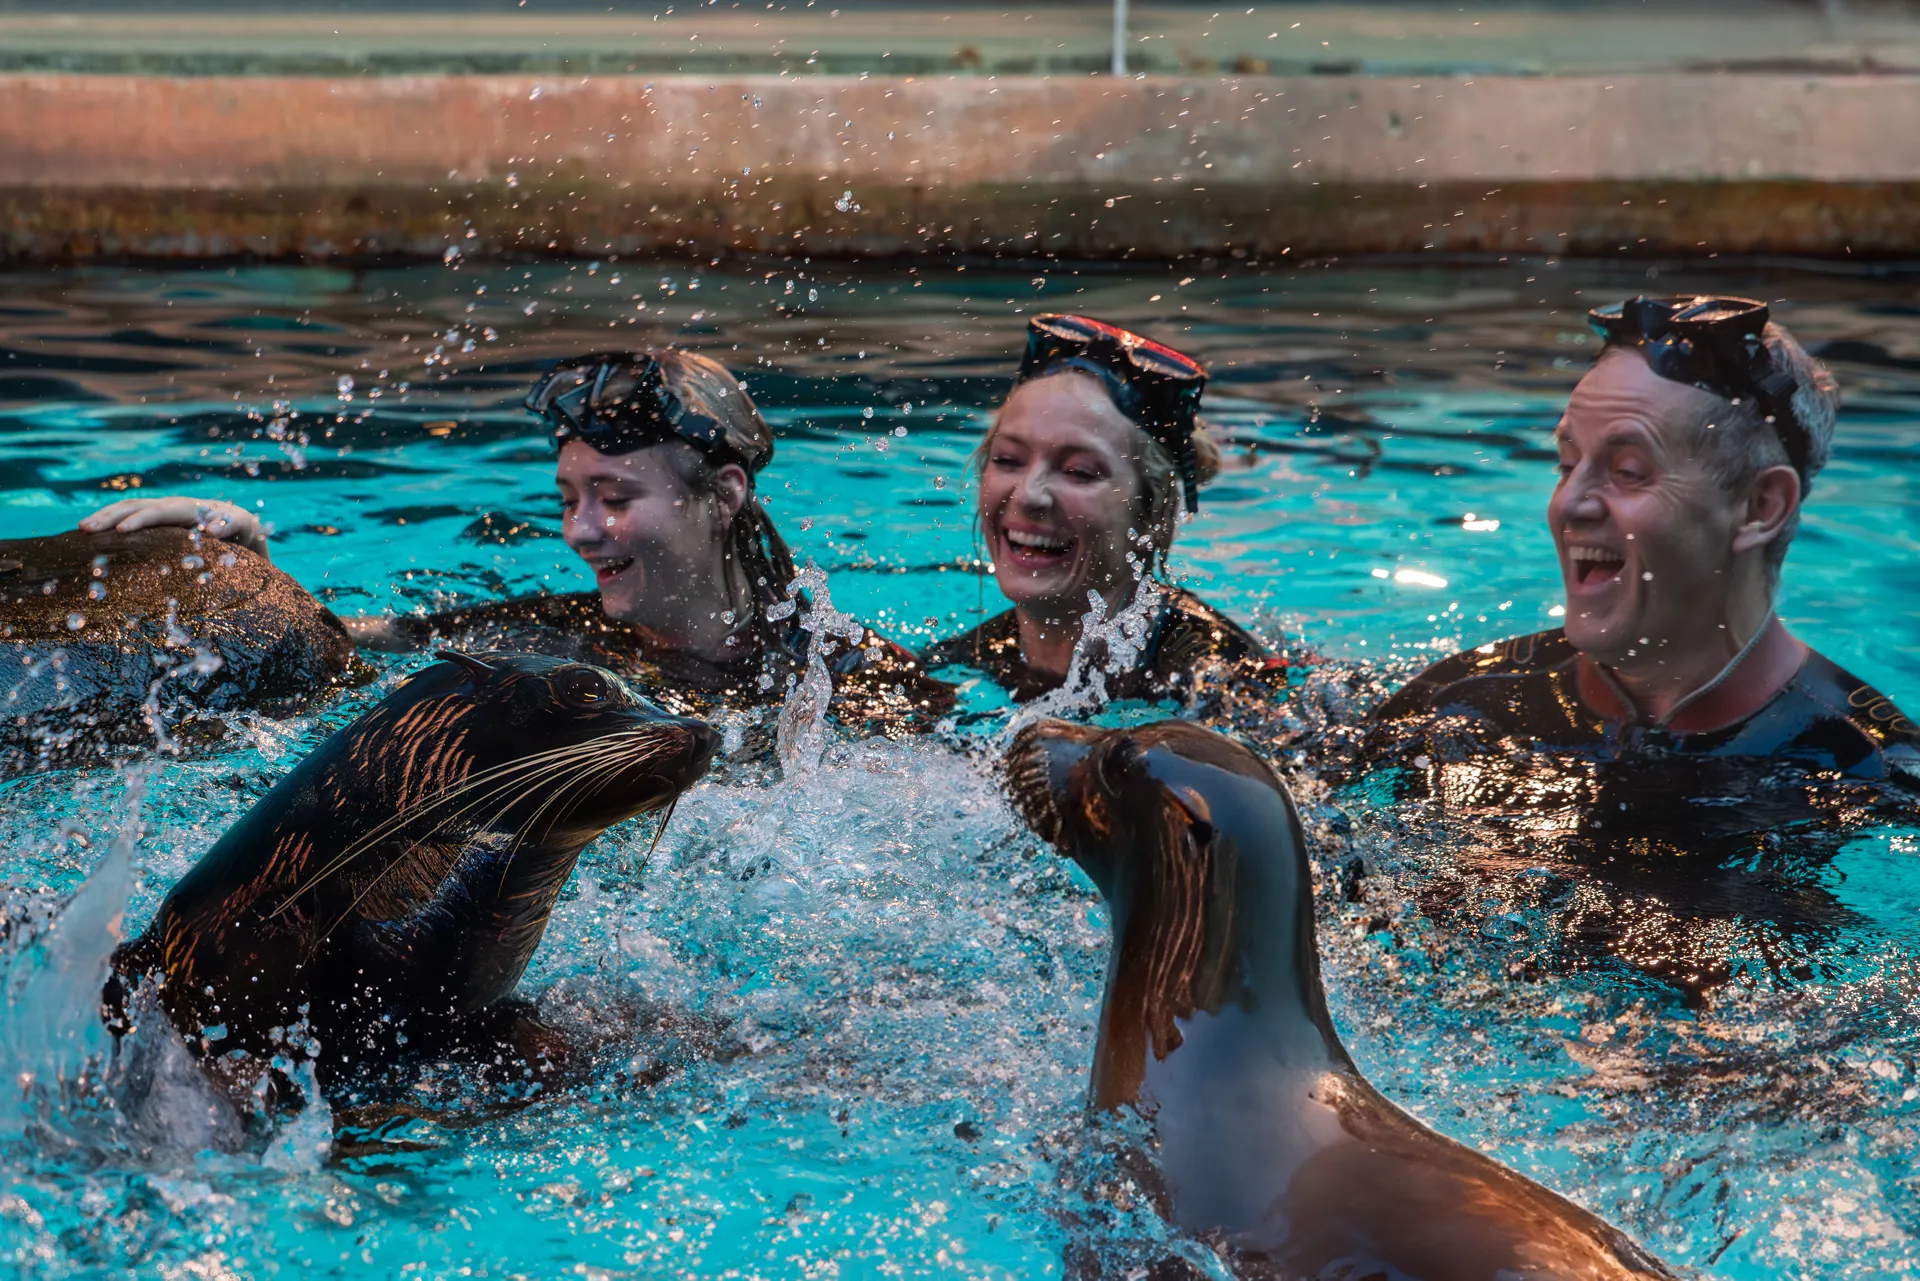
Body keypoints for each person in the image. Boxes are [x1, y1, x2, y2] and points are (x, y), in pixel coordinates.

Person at [80, 349, 951, 735]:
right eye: (569, 498)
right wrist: (252, 559)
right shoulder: (549, 634)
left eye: (614, 497)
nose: (580, 531)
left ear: (722, 496)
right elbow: (349, 643)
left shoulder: (852, 677)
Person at [1372, 296, 1919, 790]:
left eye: (1629, 471)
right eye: (1567, 465)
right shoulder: (1459, 703)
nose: (1571, 504)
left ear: (1760, 507)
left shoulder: (1870, 767)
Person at [921, 314, 1283, 712]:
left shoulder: (1214, 675)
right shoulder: (964, 662)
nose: (1028, 495)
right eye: (1008, 460)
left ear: (1149, 512)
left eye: (1078, 472)